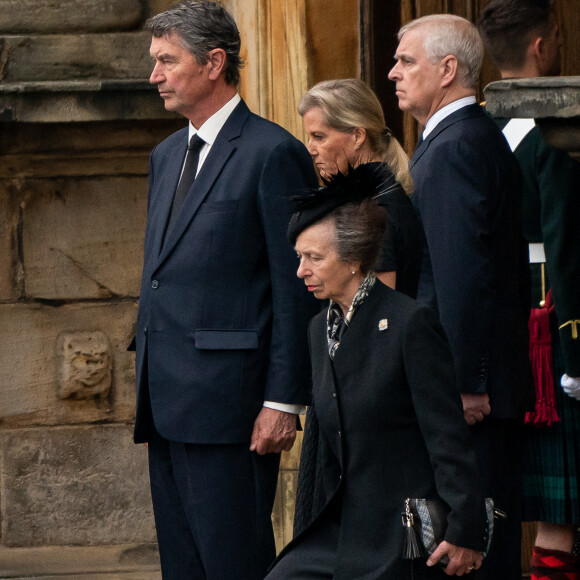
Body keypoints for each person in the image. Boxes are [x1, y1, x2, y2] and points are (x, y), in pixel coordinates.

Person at [131, 2, 319, 578]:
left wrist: (282, 401)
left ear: (215, 62)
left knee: (233, 562)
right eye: (153, 61)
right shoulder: (166, 154)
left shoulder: (272, 152)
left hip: (232, 407)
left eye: (167, 61)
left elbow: (296, 289)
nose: (154, 75)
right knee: (183, 567)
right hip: (164, 400)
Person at [264, 164, 490, 579]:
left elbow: (447, 436)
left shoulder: (410, 323)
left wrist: (465, 531)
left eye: (313, 258)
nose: (301, 271)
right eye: (299, 257)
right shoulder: (319, 329)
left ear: (353, 260)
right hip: (342, 529)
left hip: (400, 534)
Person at [388, 14, 533, 579]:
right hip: (472, 382)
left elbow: (462, 277)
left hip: (470, 393)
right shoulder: (460, 138)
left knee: (471, 550)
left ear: (448, 70)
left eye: (407, 61)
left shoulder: (453, 147)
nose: (393, 72)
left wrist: (466, 383)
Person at [479, 2, 580, 577]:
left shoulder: (476, 127)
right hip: (553, 322)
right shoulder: (556, 130)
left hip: (505, 322)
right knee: (559, 513)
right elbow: (566, 244)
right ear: (543, 45)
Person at [297, 78, 424, 298]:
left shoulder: (377, 207)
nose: (310, 149)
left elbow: (380, 315)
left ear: (357, 136)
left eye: (319, 137)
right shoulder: (370, 197)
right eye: (309, 137)